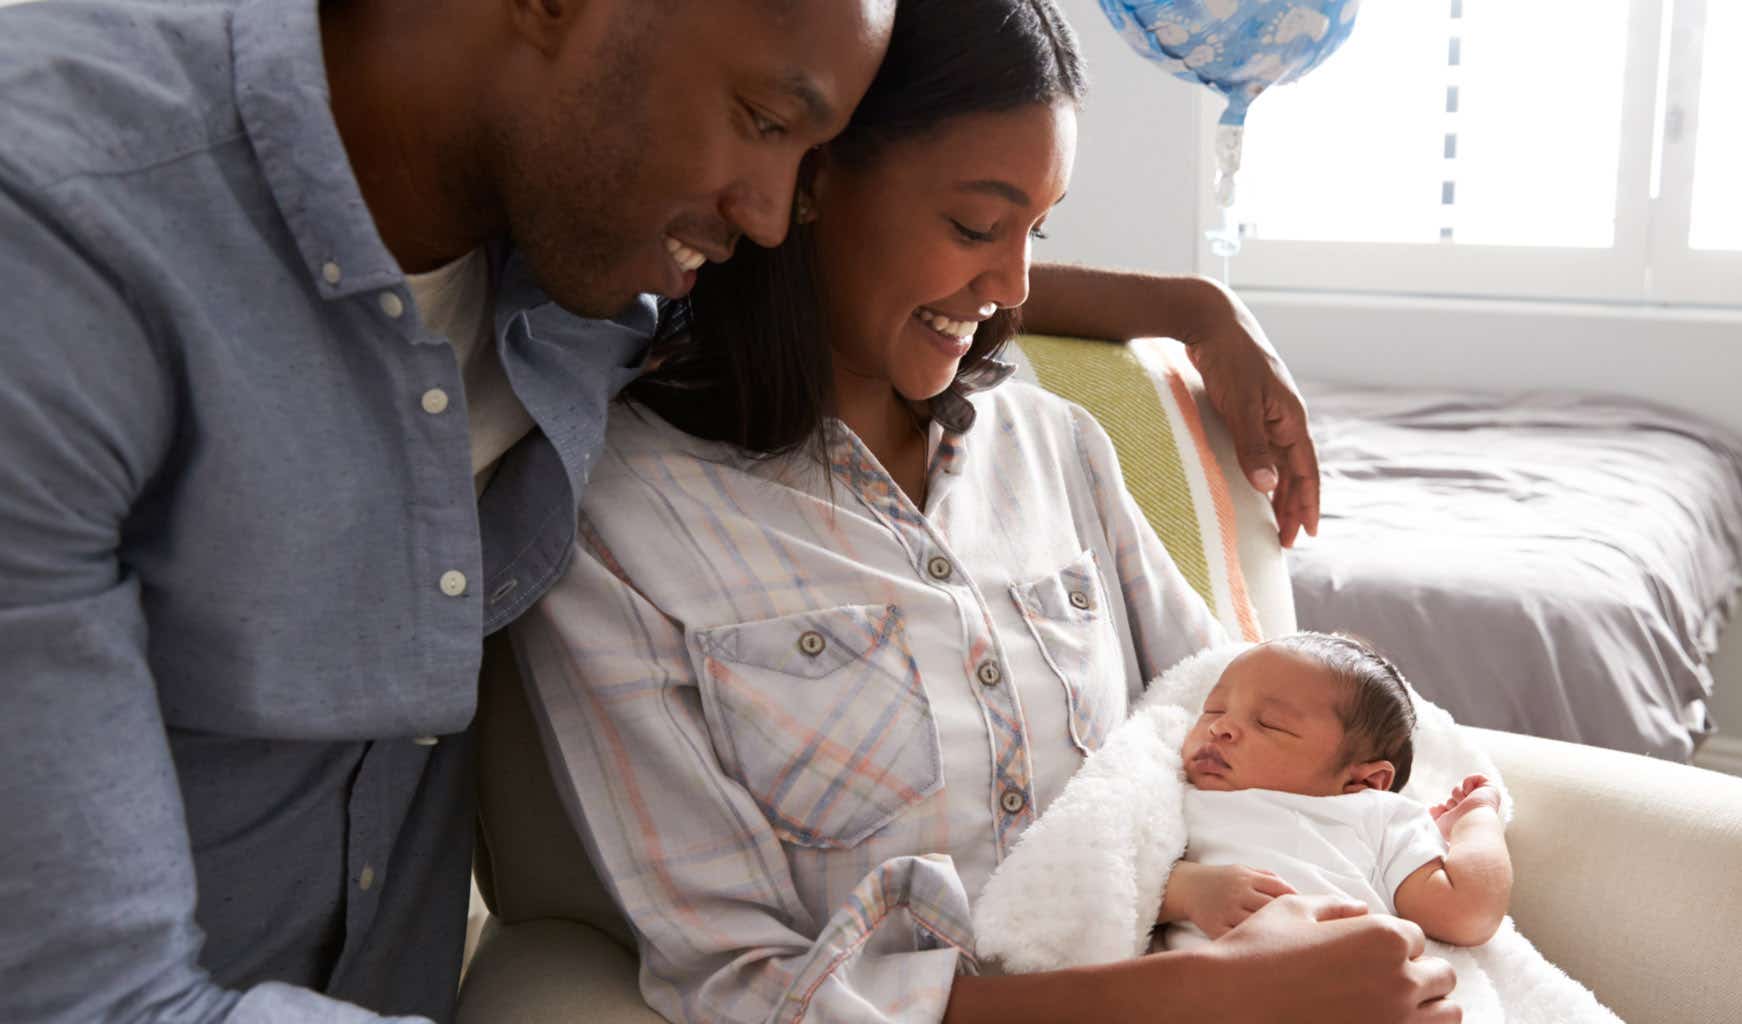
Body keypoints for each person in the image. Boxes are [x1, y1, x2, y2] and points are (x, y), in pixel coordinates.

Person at [0, 0, 1322, 1021]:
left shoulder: (592, 238)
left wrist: (1188, 308)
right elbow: (86, 996)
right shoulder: (65, 249)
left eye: (808, 153)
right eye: (766, 119)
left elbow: (869, 264)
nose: (767, 215)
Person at [510, 1, 1458, 1020]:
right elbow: (744, 982)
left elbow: (1238, 724)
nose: (1010, 286)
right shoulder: (624, 518)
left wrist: (1424, 856)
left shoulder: (1054, 448)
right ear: (813, 177)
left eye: (1036, 230)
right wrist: (1204, 997)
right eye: (974, 225)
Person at [1163, 633, 1513, 949]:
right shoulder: (1170, 795)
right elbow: (1121, 880)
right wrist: (1190, 890)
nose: (1220, 727)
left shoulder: (1374, 814)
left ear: (1361, 782)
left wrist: (1477, 819)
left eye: (1270, 723)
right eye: (1213, 710)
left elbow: (1467, 915)